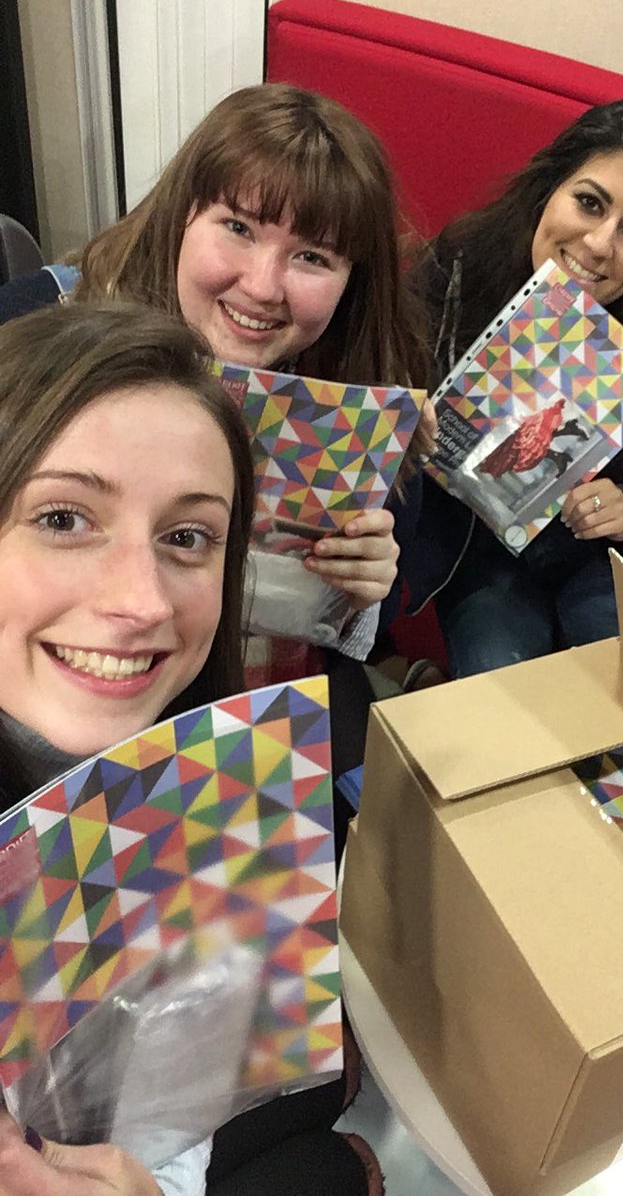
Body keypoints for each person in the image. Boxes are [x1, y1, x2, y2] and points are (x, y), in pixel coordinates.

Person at [0, 303, 379, 1195]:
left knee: (325, 1091)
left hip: (136, 1112)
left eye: (186, 537)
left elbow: (171, 1099)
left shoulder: (207, 775)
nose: (144, 601)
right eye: (64, 518)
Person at [0, 80, 433, 783]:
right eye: (238, 226)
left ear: (353, 280)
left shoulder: (360, 404)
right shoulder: (38, 321)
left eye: (314, 257)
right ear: (180, 218)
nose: (264, 285)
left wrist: (361, 592)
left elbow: (366, 622)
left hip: (250, 717)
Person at [405, 99, 623, 677]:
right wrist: (410, 414)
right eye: (589, 203)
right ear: (550, 188)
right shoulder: (460, 271)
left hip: (601, 559)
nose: (600, 244)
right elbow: (375, 388)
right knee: (501, 684)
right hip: (480, 553)